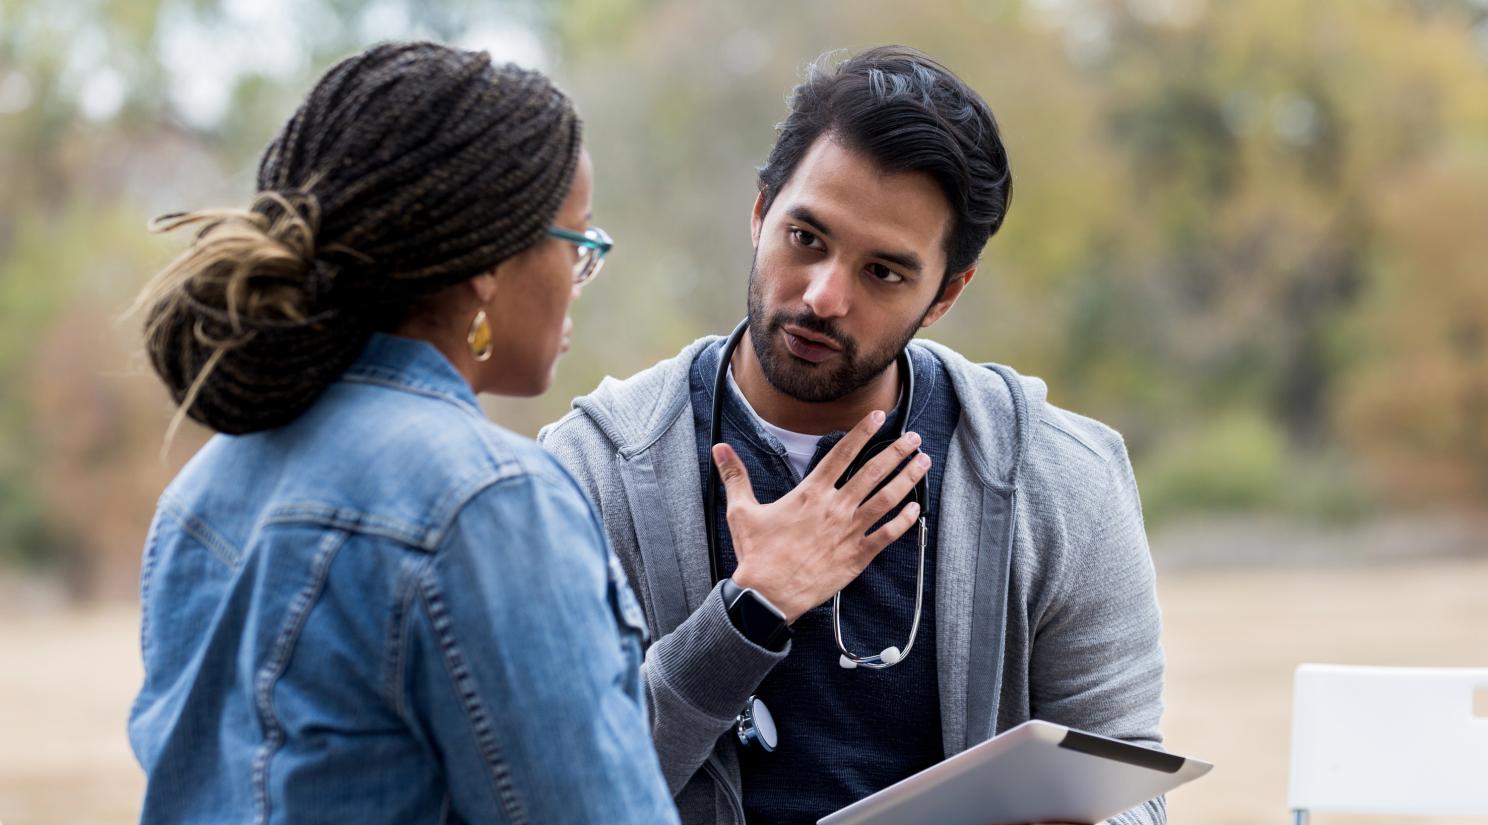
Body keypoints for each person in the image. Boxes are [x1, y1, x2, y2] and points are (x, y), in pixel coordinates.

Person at [539, 45, 1167, 824]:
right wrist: (746, 611)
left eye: (883, 273)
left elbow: (1128, 784)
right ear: (760, 210)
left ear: (946, 293)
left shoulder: (1059, 478)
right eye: (806, 237)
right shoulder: (589, 471)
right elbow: (549, 786)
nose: (824, 295)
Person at [126, 41, 677, 823]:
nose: (578, 282)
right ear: (488, 261)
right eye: (579, 243)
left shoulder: (206, 485)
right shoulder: (489, 502)